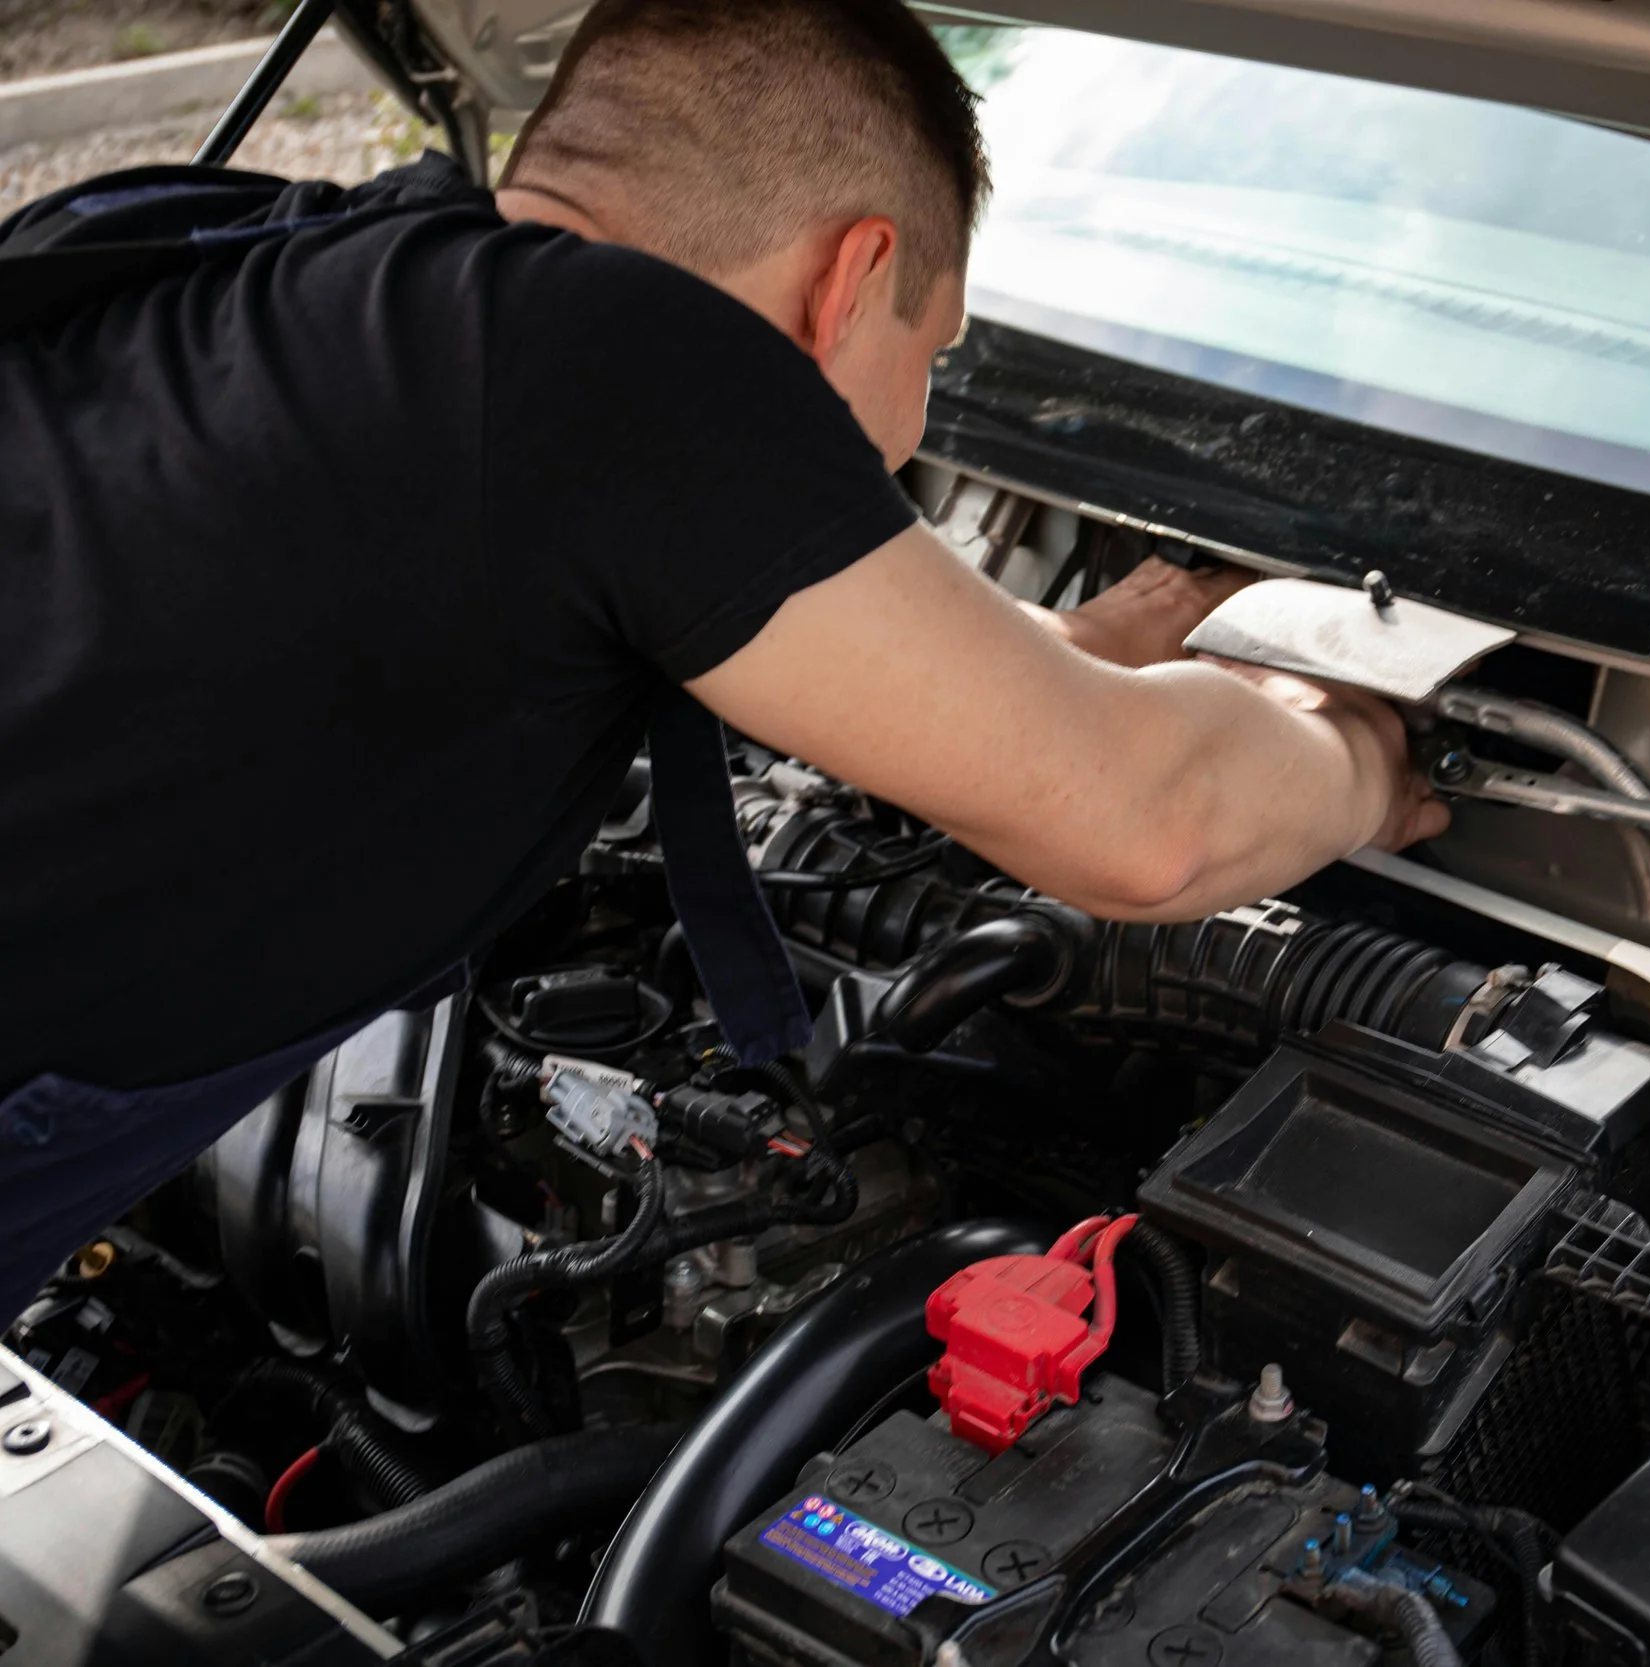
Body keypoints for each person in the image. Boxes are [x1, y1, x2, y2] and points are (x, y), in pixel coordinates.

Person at [0, 0, 1445, 1312]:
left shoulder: (269, 264)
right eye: (929, 352)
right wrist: (1372, 751)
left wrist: (1062, 648)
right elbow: (1154, 829)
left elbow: (677, 573)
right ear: (853, 271)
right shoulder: (633, 361)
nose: (912, 428)